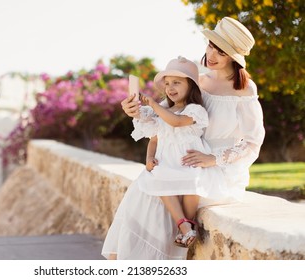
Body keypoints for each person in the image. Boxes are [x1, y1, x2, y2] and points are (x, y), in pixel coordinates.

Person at [117, 17, 265, 259]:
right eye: (210, 46)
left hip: (218, 168)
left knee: (157, 195)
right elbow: (168, 112)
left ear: (234, 58)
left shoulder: (245, 90)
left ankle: (170, 250)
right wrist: (135, 110)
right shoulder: (199, 79)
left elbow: (252, 142)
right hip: (184, 158)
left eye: (222, 52)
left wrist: (212, 159)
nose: (212, 54)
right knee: (144, 189)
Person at [101, 57, 229, 260]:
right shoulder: (163, 108)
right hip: (166, 161)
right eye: (167, 83)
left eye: (177, 82)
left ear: (192, 86)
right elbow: (154, 139)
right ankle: (183, 224)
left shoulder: (195, 110)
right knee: (157, 177)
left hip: (188, 160)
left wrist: (152, 104)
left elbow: (177, 122)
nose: (170, 87)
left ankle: (188, 224)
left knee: (192, 182)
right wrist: (149, 158)